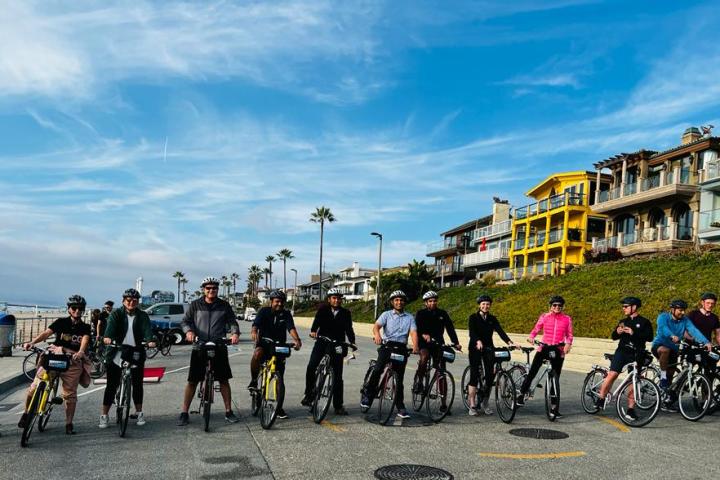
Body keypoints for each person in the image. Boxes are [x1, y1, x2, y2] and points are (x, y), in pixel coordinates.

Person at [18, 295, 92, 435]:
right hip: (55, 358)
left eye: (80, 309)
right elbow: (46, 333)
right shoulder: (61, 322)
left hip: (72, 361)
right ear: (69, 309)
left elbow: (85, 340)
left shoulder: (85, 327)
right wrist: (32, 343)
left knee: (70, 396)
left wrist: (81, 352)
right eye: (74, 308)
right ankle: (27, 413)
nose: (77, 311)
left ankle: (69, 424)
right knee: (33, 388)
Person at [177, 276, 240, 426]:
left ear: (217, 289)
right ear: (204, 290)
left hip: (219, 345)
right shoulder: (195, 305)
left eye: (214, 288)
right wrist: (189, 332)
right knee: (192, 380)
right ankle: (184, 412)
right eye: (208, 288)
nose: (211, 290)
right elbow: (185, 321)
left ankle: (228, 411)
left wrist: (235, 333)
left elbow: (232, 321)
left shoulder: (224, 305)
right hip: (200, 345)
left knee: (224, 380)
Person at [99, 288, 156, 428]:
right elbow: (110, 329)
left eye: (135, 300)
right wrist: (107, 338)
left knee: (137, 383)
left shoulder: (142, 315)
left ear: (138, 302)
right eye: (128, 300)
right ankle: (104, 415)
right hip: (117, 350)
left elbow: (147, 329)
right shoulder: (116, 314)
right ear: (123, 301)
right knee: (112, 384)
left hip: (136, 351)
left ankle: (139, 412)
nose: (131, 303)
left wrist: (150, 340)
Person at [361, 290, 419, 419]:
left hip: (401, 348)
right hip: (387, 345)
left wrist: (415, 346)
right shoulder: (386, 314)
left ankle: (400, 406)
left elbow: (413, 332)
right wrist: (377, 335)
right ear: (392, 302)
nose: (399, 302)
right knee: (377, 370)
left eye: (401, 300)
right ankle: (368, 397)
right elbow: (376, 326)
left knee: (399, 379)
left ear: (404, 302)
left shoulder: (409, 317)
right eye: (396, 300)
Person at [594, 297, 654, 420]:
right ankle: (601, 398)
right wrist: (618, 331)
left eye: (626, 306)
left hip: (637, 353)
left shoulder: (644, 322)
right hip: (622, 352)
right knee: (612, 374)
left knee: (634, 380)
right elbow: (614, 337)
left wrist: (633, 333)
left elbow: (649, 337)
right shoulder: (623, 321)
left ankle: (631, 409)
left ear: (634, 307)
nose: (623, 308)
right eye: (623, 306)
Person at [516, 295, 574, 418]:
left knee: (555, 378)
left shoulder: (567, 319)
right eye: (555, 305)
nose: (557, 307)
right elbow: (536, 329)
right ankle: (521, 394)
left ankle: (554, 407)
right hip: (544, 347)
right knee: (532, 372)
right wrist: (531, 337)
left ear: (563, 307)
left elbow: (569, 334)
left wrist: (568, 344)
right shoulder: (544, 317)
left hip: (558, 349)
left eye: (560, 305)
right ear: (550, 306)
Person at [301, 288, 356, 415]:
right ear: (329, 299)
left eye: (338, 298)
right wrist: (314, 331)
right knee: (311, 366)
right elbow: (316, 324)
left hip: (338, 344)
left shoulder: (346, 313)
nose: (336, 300)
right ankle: (309, 395)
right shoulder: (322, 310)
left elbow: (349, 329)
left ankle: (338, 405)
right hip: (322, 341)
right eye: (334, 298)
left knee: (338, 376)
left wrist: (352, 342)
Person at [250, 289, 302, 419]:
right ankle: (254, 380)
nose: (279, 304)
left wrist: (297, 340)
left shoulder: (286, 314)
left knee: (280, 379)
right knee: (257, 353)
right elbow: (255, 324)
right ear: (271, 301)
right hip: (264, 343)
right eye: (277, 301)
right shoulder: (264, 311)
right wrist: (254, 331)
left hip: (279, 346)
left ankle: (278, 408)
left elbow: (291, 328)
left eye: (282, 302)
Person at [651, 299, 711, 411]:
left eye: (684, 310)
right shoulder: (663, 317)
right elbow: (663, 328)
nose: (682, 313)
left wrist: (706, 342)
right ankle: (662, 377)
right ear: (672, 309)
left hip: (674, 349)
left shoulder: (685, 320)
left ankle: (664, 400)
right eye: (680, 310)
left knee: (671, 374)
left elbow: (694, 330)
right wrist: (672, 335)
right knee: (665, 351)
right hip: (659, 345)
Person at [466, 294, 514, 416]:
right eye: (483, 304)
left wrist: (509, 342)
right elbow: (472, 332)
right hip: (475, 347)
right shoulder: (473, 317)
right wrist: (477, 340)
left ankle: (485, 403)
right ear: (479, 305)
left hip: (488, 348)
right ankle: (472, 403)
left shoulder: (492, 318)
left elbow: (500, 331)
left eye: (488, 304)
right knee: (474, 374)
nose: (486, 306)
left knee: (490, 376)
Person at [414, 291, 461, 405]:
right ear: (426, 303)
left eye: (435, 301)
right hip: (424, 343)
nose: (433, 303)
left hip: (438, 343)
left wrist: (456, 342)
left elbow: (450, 328)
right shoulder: (421, 313)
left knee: (441, 372)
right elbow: (416, 328)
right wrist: (423, 334)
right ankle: (419, 382)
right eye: (430, 301)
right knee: (424, 357)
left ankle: (444, 403)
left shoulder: (442, 313)